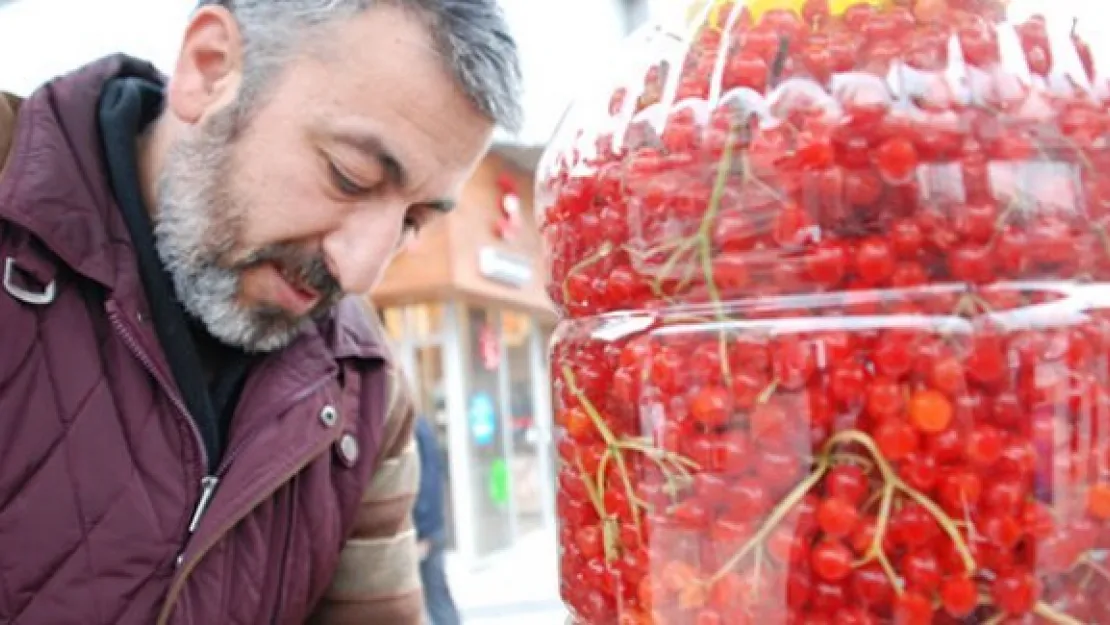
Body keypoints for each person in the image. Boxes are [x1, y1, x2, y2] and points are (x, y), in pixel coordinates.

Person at [0, 1, 522, 624]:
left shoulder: (365, 389)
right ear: (210, 68)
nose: (359, 272)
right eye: (349, 177)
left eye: (412, 221)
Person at [413, 414, 461, 625]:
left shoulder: (416, 430)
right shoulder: (420, 427)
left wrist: (424, 532)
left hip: (425, 531)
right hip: (428, 527)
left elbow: (428, 481)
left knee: (436, 597)